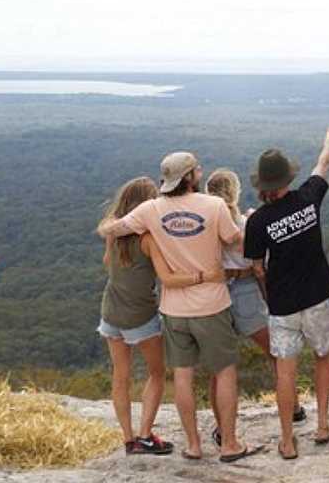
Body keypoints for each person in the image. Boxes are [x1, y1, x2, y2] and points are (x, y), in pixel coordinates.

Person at [98, 152, 262, 463]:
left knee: (183, 375)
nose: (200, 171)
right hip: (212, 303)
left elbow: (111, 230)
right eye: (196, 169)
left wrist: (110, 221)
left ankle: (193, 445)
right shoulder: (213, 206)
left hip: (173, 310)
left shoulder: (150, 209)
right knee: (225, 372)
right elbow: (236, 241)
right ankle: (228, 443)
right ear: (190, 177)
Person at [244, 128, 329, 460]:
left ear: (262, 185)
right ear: (287, 178)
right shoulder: (308, 197)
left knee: (285, 372)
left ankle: (287, 440)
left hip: (282, 304)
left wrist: (268, 295)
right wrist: (328, 139)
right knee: (322, 357)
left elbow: (257, 267)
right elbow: (323, 164)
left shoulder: (257, 222)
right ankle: (323, 425)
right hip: (317, 294)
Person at [204, 169, 306, 446]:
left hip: (214, 291)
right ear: (234, 192)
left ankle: (222, 427)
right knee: (277, 351)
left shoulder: (205, 222)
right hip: (246, 289)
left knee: (220, 366)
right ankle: (293, 406)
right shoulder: (245, 222)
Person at [97, 176, 173, 456]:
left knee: (120, 375)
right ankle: (145, 436)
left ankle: (128, 439)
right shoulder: (148, 239)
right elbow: (165, 274)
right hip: (141, 314)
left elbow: (107, 262)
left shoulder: (113, 234)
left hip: (111, 312)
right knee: (156, 372)